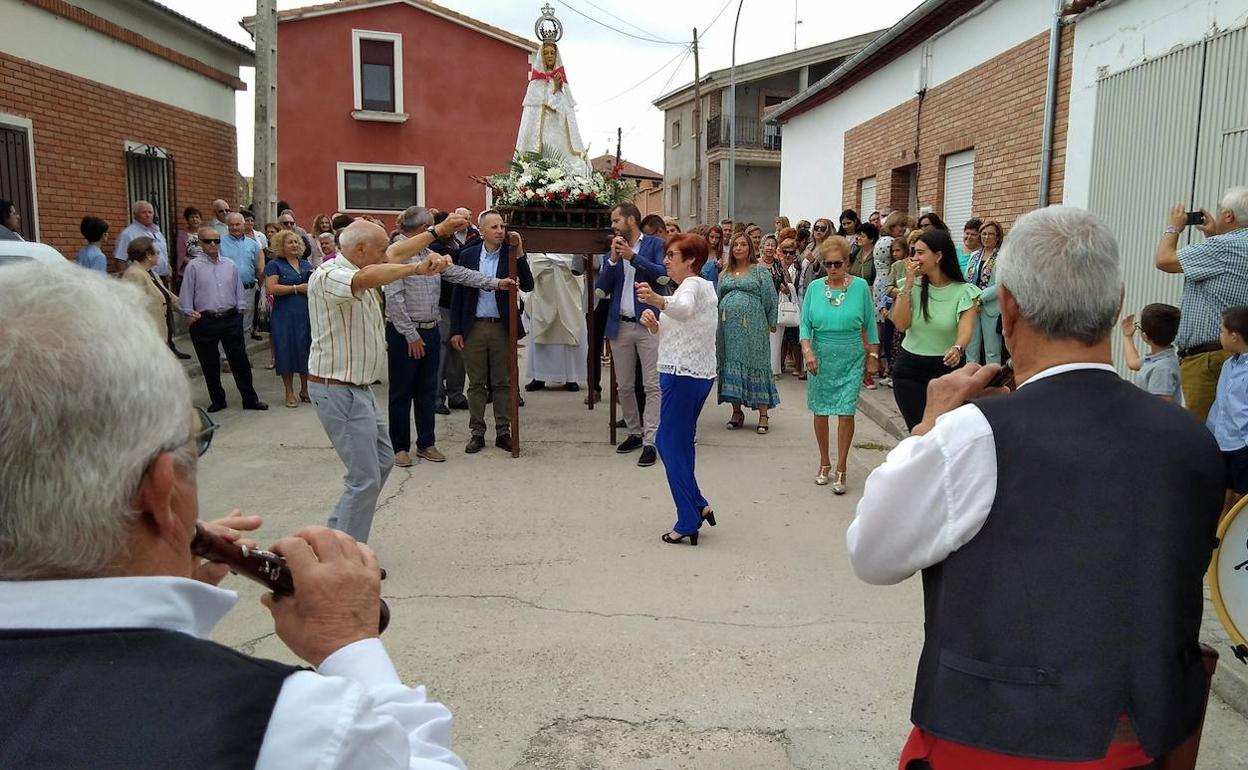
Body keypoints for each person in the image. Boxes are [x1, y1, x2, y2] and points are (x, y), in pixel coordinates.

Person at [0, 262, 466, 770]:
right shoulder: (283, 725)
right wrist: (350, 645)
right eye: (193, 441)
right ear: (161, 493)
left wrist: (150, 578)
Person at [848, 205, 1224, 769]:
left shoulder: (973, 433)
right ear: (1118, 301)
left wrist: (926, 429)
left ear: (1009, 306)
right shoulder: (1191, 440)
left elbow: (872, 553)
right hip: (1142, 738)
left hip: (989, 738)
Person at [307, 216, 462, 542]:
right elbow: (370, 275)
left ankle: (337, 536)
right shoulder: (331, 274)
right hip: (337, 390)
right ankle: (346, 554)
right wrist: (417, 269)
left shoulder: (363, 260)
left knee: (380, 462)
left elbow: (394, 253)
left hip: (356, 389)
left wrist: (436, 233)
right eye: (380, 249)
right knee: (363, 478)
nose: (387, 254)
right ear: (360, 249)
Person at [387, 206, 509, 466]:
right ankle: (399, 447)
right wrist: (411, 336)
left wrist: (497, 283)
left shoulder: (429, 254)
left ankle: (426, 444)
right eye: (432, 226)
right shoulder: (396, 256)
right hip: (406, 333)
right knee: (401, 392)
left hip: (431, 329)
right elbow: (394, 302)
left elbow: (460, 275)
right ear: (423, 230)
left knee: (427, 390)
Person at [636, 234, 719, 546]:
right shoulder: (699, 287)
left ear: (691, 262)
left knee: (668, 443)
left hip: (683, 377)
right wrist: (655, 325)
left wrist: (657, 300)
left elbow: (681, 309)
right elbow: (682, 330)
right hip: (691, 374)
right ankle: (697, 504)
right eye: (667, 255)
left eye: (673, 255)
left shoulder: (692, 285)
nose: (667, 260)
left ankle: (688, 519)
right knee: (680, 444)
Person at [1155, 187, 1248, 422]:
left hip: (1207, 360)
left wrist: (1173, 227)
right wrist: (1213, 237)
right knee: (1230, 428)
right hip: (1235, 354)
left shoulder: (1223, 247)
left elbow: (1164, 260)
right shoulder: (1228, 247)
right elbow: (1223, 275)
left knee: (1202, 433)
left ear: (1228, 216)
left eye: (1220, 209)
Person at [449, 211, 533, 455]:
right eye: (494, 227)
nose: (500, 231)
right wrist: (456, 329)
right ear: (482, 230)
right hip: (474, 326)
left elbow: (528, 285)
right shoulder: (467, 255)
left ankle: (503, 432)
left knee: (503, 382)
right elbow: (459, 294)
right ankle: (477, 432)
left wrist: (520, 254)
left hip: (502, 326)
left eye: (502, 227)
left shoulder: (509, 254)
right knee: (475, 383)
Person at [802, 236, 878, 494]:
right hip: (820, 353)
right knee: (821, 411)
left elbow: (870, 324)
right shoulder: (814, 288)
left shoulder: (860, 287)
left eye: (838, 264)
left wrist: (874, 357)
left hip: (851, 354)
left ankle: (842, 467)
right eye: (828, 264)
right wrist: (807, 350)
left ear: (848, 262)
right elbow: (804, 325)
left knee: (846, 412)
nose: (832, 269)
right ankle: (824, 462)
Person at [595, 202, 667, 467]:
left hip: (648, 324)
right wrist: (613, 261)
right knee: (623, 385)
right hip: (620, 325)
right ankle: (635, 433)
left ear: (631, 220)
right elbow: (601, 290)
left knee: (652, 385)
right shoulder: (613, 251)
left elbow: (663, 276)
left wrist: (633, 257)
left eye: (616, 220)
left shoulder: (654, 245)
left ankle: (651, 441)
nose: (613, 226)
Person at [890, 228, 979, 430]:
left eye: (921, 253)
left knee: (945, 432)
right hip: (910, 369)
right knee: (920, 432)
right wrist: (909, 286)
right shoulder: (910, 286)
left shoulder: (964, 292)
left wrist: (957, 348)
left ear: (938, 256)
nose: (915, 258)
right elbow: (901, 324)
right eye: (914, 252)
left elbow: (966, 330)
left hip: (947, 370)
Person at [179, 227, 268, 413]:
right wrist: (188, 313)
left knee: (240, 361)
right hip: (205, 320)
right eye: (208, 241)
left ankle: (249, 398)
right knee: (210, 363)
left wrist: (240, 309)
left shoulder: (229, 264)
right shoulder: (193, 267)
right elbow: (186, 292)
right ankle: (218, 400)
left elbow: (238, 289)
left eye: (216, 241)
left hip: (230, 318)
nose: (213, 244)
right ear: (200, 243)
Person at [718, 231, 779, 434]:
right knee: (731, 362)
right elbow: (718, 298)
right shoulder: (724, 273)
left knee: (757, 363)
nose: (739, 248)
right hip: (728, 328)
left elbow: (771, 298)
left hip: (754, 327)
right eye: (735, 245)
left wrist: (771, 322)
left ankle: (763, 414)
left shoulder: (760, 271)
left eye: (743, 245)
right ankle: (736, 411)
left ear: (750, 248)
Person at [115, 200, 187, 358]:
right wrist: (125, 278)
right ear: (135, 214)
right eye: (144, 212)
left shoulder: (157, 231)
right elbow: (120, 259)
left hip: (157, 275)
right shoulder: (128, 233)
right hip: (142, 278)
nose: (148, 215)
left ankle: (170, 346)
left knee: (165, 314)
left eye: (150, 212)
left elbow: (162, 252)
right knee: (154, 316)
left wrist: (167, 267)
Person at [516, 40, 589, 173]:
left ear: (556, 56)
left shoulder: (561, 81)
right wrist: (554, 90)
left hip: (559, 132)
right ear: (541, 56)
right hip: (541, 134)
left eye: (552, 53)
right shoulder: (535, 84)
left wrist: (557, 89)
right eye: (546, 53)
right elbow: (531, 115)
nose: (549, 56)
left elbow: (565, 111)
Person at [264, 230, 314, 409]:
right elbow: (271, 288)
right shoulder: (274, 265)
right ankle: (289, 392)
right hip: (284, 313)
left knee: (306, 348)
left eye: (296, 242)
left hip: (305, 312)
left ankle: (305, 389)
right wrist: (296, 288)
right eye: (290, 242)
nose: (294, 245)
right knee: (286, 350)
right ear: (281, 246)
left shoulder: (305, 264)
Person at [1209, 305, 1248, 517]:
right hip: (1223, 443)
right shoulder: (1228, 366)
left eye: (1221, 331)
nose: (1219, 335)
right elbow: (1220, 405)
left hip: (1243, 446)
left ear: (1234, 337)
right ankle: (1219, 545)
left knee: (1241, 501)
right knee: (1223, 496)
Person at [1121, 303, 1182, 402]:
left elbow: (1160, 408)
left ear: (1145, 336)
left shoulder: (1163, 369)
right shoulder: (1157, 359)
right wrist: (1127, 336)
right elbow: (1133, 363)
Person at [964, 220, 1005, 365]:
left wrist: (981, 298)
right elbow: (966, 280)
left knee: (992, 351)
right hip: (972, 307)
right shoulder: (974, 255)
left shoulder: (1002, 256)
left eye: (990, 234)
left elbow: (1002, 283)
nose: (986, 237)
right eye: (984, 234)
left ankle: (993, 384)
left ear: (998, 237)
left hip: (990, 308)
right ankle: (971, 382)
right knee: (971, 349)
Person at [121, 236, 176, 342]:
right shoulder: (134, 274)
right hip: (146, 337)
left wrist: (187, 308)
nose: (159, 254)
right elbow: (130, 307)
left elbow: (165, 294)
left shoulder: (151, 273)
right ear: (148, 255)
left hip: (159, 334)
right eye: (157, 252)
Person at [220, 212, 265, 341]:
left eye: (237, 224)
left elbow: (258, 268)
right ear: (227, 226)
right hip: (227, 290)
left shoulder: (253, 245)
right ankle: (225, 358)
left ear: (243, 224)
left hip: (248, 290)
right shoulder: (220, 242)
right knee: (227, 325)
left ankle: (242, 357)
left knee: (245, 325)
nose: (234, 227)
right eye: (231, 225)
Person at [759, 234, 792, 376]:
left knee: (776, 337)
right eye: (767, 244)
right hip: (759, 303)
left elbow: (787, 281)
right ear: (762, 247)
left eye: (772, 245)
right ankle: (760, 367)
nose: (770, 247)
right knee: (760, 336)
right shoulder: (756, 263)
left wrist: (785, 288)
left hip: (776, 303)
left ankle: (773, 369)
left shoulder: (779, 263)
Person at [176, 207, 204, 280]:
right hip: (190, 269)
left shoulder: (206, 233)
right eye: (191, 217)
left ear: (200, 220)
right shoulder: (182, 235)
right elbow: (181, 255)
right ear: (187, 220)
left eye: (197, 217)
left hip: (206, 268)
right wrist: (195, 264)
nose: (195, 219)